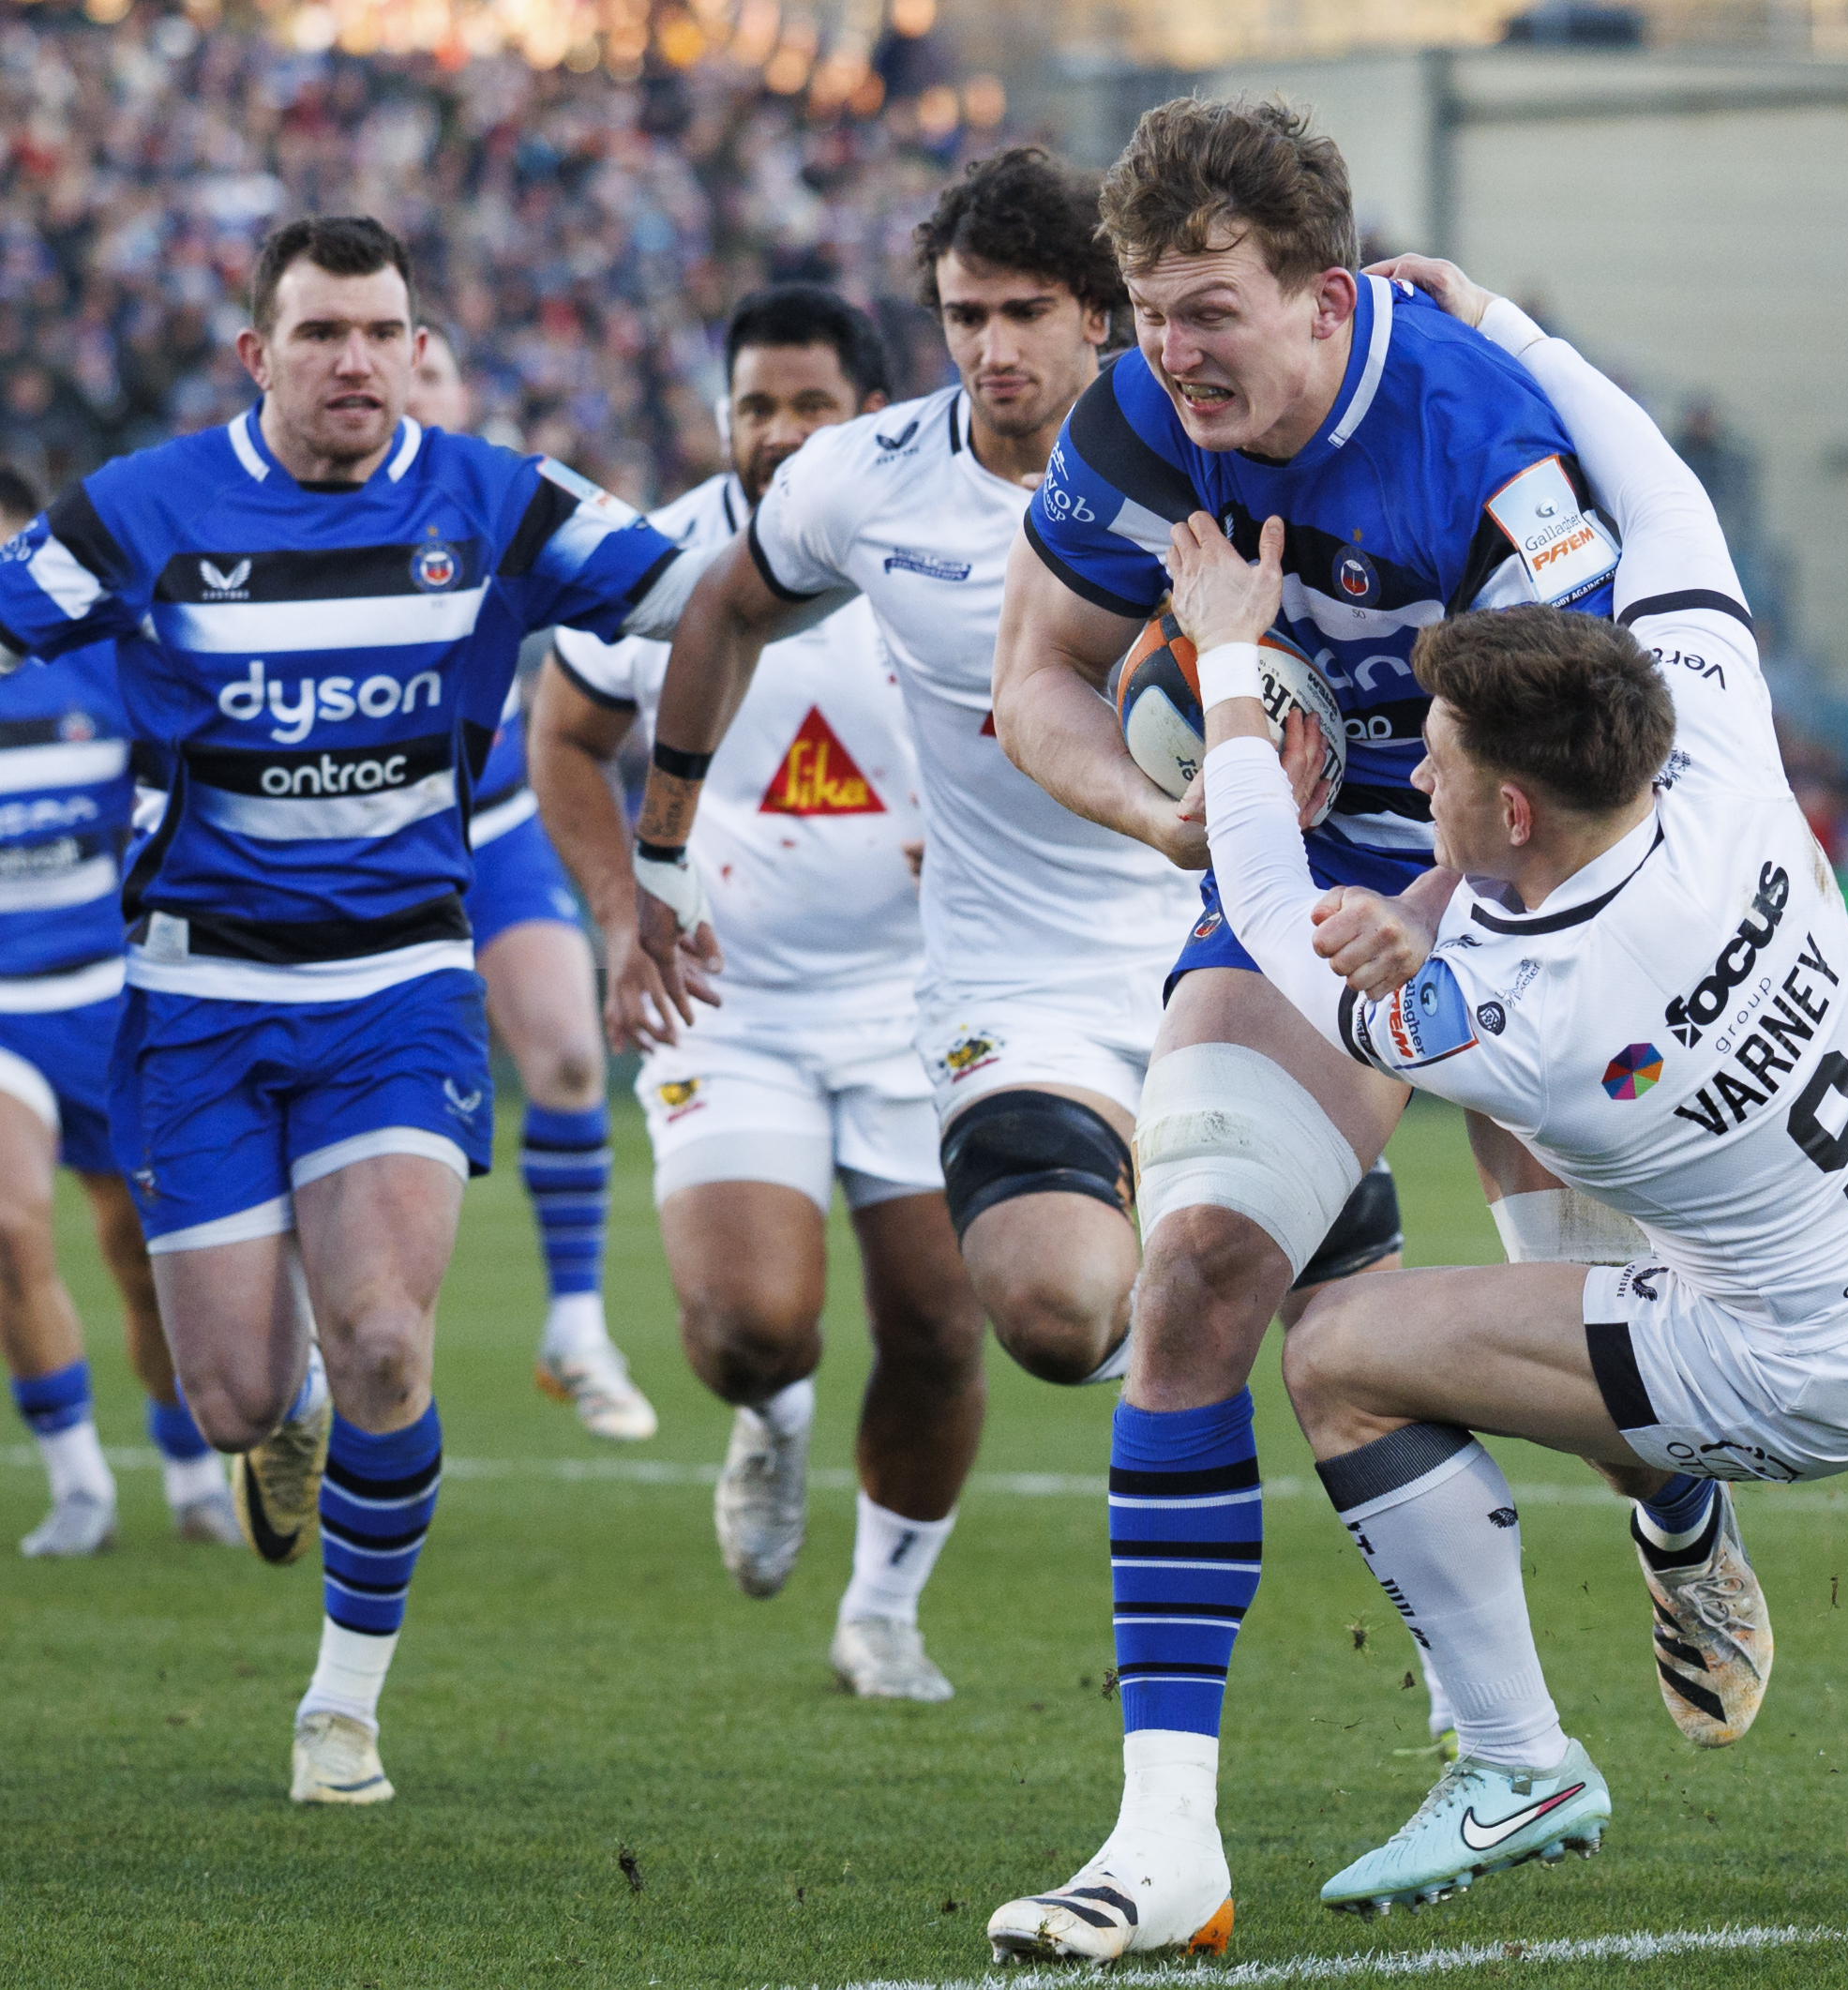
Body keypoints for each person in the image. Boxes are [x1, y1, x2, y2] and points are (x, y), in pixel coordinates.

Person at [1173, 261, 1848, 1917]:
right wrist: (1523, 328)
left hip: (1820, 1373)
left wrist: (1229, 668)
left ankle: (1515, 1757)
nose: (1420, 776)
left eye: (1440, 762)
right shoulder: (1719, 747)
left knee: (1338, 1356)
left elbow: (1261, 912)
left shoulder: (1514, 1009)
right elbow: (1660, 490)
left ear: (1512, 809)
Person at [953, 100, 1624, 1965]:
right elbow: (1037, 681)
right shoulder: (1134, 422)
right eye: (1151, 313)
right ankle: (1166, 1843)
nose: (1175, 353)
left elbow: (1594, 759)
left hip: (1529, 875)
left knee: (1619, 1362)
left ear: (1324, 301)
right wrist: (1178, 818)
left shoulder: (1486, 436)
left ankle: (1636, 1568)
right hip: (1291, 864)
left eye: (1212, 313)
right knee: (1203, 1287)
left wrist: (1425, 917)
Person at [0, 215, 714, 1804]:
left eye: (384, 332)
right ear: (258, 355)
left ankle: (342, 1703)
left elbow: (705, 590)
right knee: (235, 1395)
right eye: (322, 333)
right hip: (194, 992)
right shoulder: (144, 508)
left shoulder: (495, 499)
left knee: (389, 1334)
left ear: (415, 348)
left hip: (396, 981)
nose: (358, 362)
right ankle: (288, 1407)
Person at [633, 158, 1403, 1408]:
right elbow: (722, 609)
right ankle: (1169, 1240)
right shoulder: (863, 478)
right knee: (1052, 1315)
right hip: (1015, 975)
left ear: (1094, 314)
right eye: (962, 314)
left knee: (1358, 1340)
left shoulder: (1224, 453)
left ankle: (1668, 1524)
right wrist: (662, 844)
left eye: (1023, 311)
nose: (989, 346)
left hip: (1239, 945)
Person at [534, 286, 991, 1700]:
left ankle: (881, 1612)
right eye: (753, 407)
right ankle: (774, 1419)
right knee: (748, 1328)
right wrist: (625, 916)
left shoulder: (956, 536)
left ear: (871, 413)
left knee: (939, 1322)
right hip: (727, 1004)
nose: (778, 434)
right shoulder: (659, 558)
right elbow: (566, 739)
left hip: (929, 1003)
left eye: (809, 406)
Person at [405, 326, 652, 1442]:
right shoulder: (295, 517)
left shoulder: (495, 500)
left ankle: (576, 1326)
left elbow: (646, 580)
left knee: (563, 1051)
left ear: (461, 394)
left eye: (427, 371)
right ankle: (310, 1348)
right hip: (356, 846)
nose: (402, 392)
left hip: (494, 828)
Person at [0, 467, 238, 1555]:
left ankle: (190, 1468)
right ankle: (79, 1481)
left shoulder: (107, 657)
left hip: (109, 994)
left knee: (144, 1255)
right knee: (10, 1230)